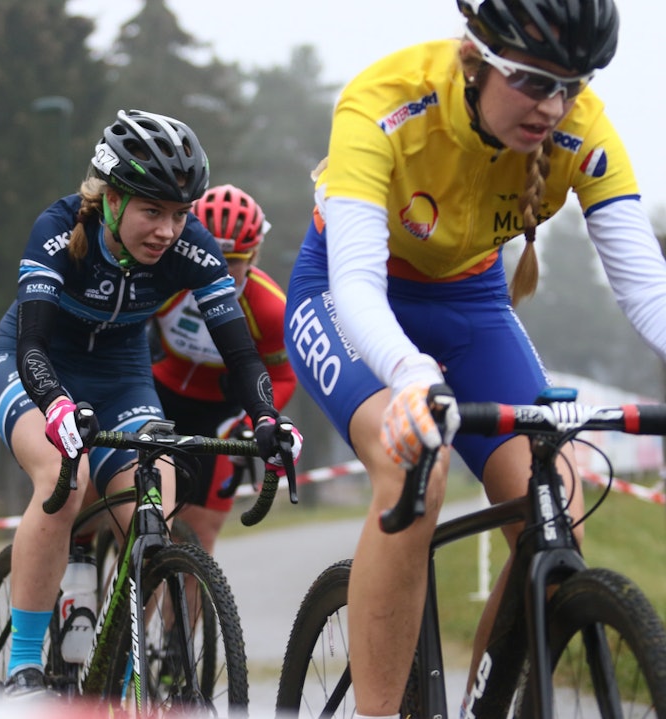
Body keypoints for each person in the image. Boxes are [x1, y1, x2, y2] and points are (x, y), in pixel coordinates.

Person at [283, 1, 666, 717]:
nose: (552, 107)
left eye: (571, 86)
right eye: (531, 81)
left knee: (560, 509)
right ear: (476, 57)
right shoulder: (386, 101)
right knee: (411, 472)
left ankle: (488, 701)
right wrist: (412, 375)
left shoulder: (584, 128)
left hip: (472, 303)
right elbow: (357, 285)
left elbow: (647, 289)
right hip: (353, 297)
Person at [0, 109, 302, 698]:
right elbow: (31, 342)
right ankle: (22, 669)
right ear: (108, 197)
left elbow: (243, 354)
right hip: (34, 367)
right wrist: (55, 405)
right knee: (63, 479)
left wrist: (267, 418)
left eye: (180, 214)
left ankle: (120, 668)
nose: (168, 231)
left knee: (157, 503)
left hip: (122, 376)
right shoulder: (57, 229)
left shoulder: (195, 250)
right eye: (152, 211)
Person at [150, 183, 296, 553]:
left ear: (254, 256)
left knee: (197, 537)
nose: (218, 267)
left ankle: (179, 610)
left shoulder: (269, 309)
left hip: (219, 415)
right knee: (139, 522)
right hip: (154, 393)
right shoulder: (165, 280)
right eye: (209, 253)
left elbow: (282, 376)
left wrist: (250, 427)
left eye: (233, 262)